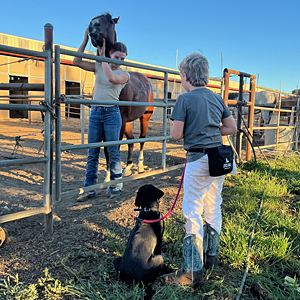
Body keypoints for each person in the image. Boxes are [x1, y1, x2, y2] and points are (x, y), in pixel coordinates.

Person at [163, 52, 237, 287]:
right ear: (205, 76)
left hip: (198, 160)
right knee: (213, 204)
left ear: (185, 76)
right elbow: (231, 128)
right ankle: (211, 256)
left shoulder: (184, 99)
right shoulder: (216, 98)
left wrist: (192, 132)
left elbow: (176, 135)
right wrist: (212, 131)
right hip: (219, 158)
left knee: (192, 210)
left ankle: (192, 272)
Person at [73, 28, 130, 202]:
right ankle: (89, 189)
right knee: (93, 152)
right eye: (116, 57)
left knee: (113, 152)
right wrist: (84, 40)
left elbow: (111, 78)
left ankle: (115, 187)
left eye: (122, 58)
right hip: (96, 113)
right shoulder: (99, 66)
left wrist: (103, 56)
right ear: (111, 55)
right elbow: (76, 61)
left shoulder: (123, 74)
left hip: (112, 113)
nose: (119, 61)